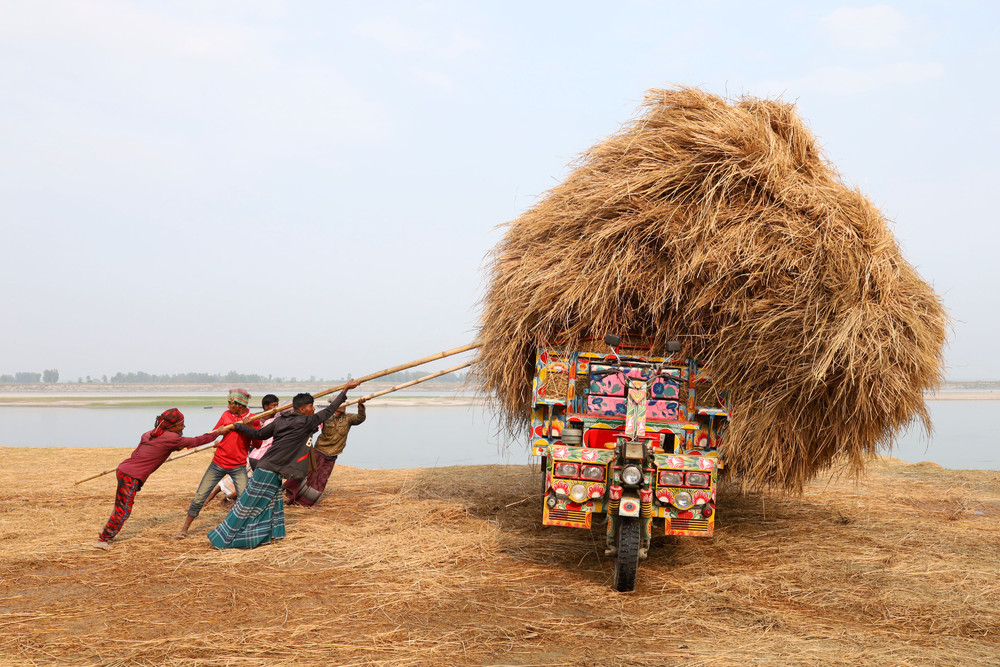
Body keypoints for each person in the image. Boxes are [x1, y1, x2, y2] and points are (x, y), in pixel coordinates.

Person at [207, 381, 360, 549]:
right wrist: (345, 390)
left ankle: (266, 535)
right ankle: (222, 537)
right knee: (247, 504)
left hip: (272, 468)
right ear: (302, 410)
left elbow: (258, 433)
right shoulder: (305, 422)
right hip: (268, 469)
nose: (314, 409)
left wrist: (239, 426)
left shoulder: (280, 421)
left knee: (272, 504)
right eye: (311, 407)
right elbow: (330, 410)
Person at [93, 409, 230, 550]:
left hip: (123, 470)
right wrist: (216, 433)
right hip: (131, 476)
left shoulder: (148, 434)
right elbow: (195, 441)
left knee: (120, 505)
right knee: (124, 509)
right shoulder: (171, 438)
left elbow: (166, 447)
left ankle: (107, 528)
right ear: (171, 427)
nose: (183, 427)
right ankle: (103, 540)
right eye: (181, 424)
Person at [174, 388, 257, 540]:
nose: (228, 406)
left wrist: (249, 428)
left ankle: (243, 530)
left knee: (245, 499)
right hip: (218, 462)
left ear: (239, 405)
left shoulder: (252, 419)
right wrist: (218, 432)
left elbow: (257, 443)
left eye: (230, 403)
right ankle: (184, 530)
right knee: (200, 496)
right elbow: (214, 433)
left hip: (238, 466)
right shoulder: (226, 415)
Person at [283, 395, 367, 506]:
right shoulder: (326, 416)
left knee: (322, 479)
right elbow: (311, 424)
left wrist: (361, 406)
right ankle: (287, 494)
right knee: (307, 475)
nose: (343, 407)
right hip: (320, 451)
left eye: (344, 404)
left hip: (333, 454)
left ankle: (306, 502)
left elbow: (360, 419)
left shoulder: (348, 418)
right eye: (340, 404)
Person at [207, 394, 283, 506]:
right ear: (266, 406)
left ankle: (228, 499)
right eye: (273, 405)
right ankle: (217, 498)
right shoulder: (255, 419)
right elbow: (244, 435)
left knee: (245, 481)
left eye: (277, 405)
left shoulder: (276, 419)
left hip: (258, 453)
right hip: (256, 454)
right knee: (245, 481)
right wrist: (221, 443)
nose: (276, 407)